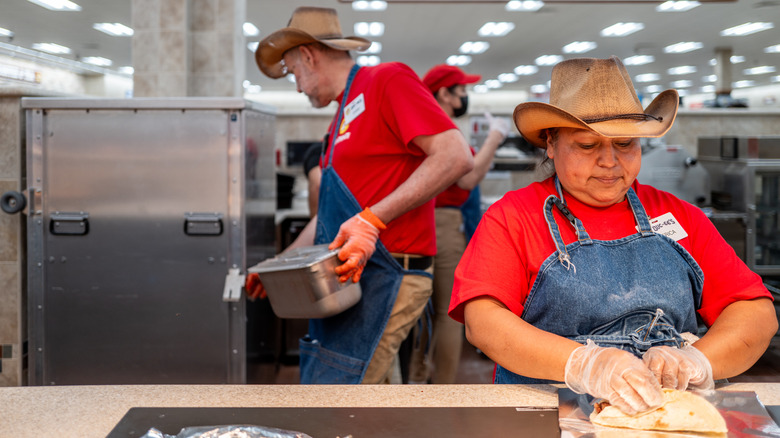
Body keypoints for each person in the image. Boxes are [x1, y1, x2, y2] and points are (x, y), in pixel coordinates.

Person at [449, 56, 777, 414]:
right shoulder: (513, 217)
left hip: (667, 414)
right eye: (587, 146)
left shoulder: (679, 215)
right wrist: (585, 365)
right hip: (547, 414)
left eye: (625, 144)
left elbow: (754, 312)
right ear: (551, 144)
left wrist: (697, 361)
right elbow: (483, 322)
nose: (610, 161)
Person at [246, 6, 474, 384]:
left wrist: (372, 219)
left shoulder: (387, 80)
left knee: (339, 398)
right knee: (368, 400)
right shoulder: (338, 124)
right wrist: (279, 264)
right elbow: (331, 217)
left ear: (308, 55)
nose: (298, 87)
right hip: (350, 280)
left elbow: (454, 155)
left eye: (293, 74)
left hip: (390, 274)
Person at [407, 65, 510, 384]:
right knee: (449, 311)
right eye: (461, 91)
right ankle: (443, 387)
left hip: (417, 220)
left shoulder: (421, 124)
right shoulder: (441, 127)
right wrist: (495, 138)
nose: (465, 97)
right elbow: (468, 178)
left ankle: (415, 378)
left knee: (418, 310)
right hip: (442, 223)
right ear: (444, 94)